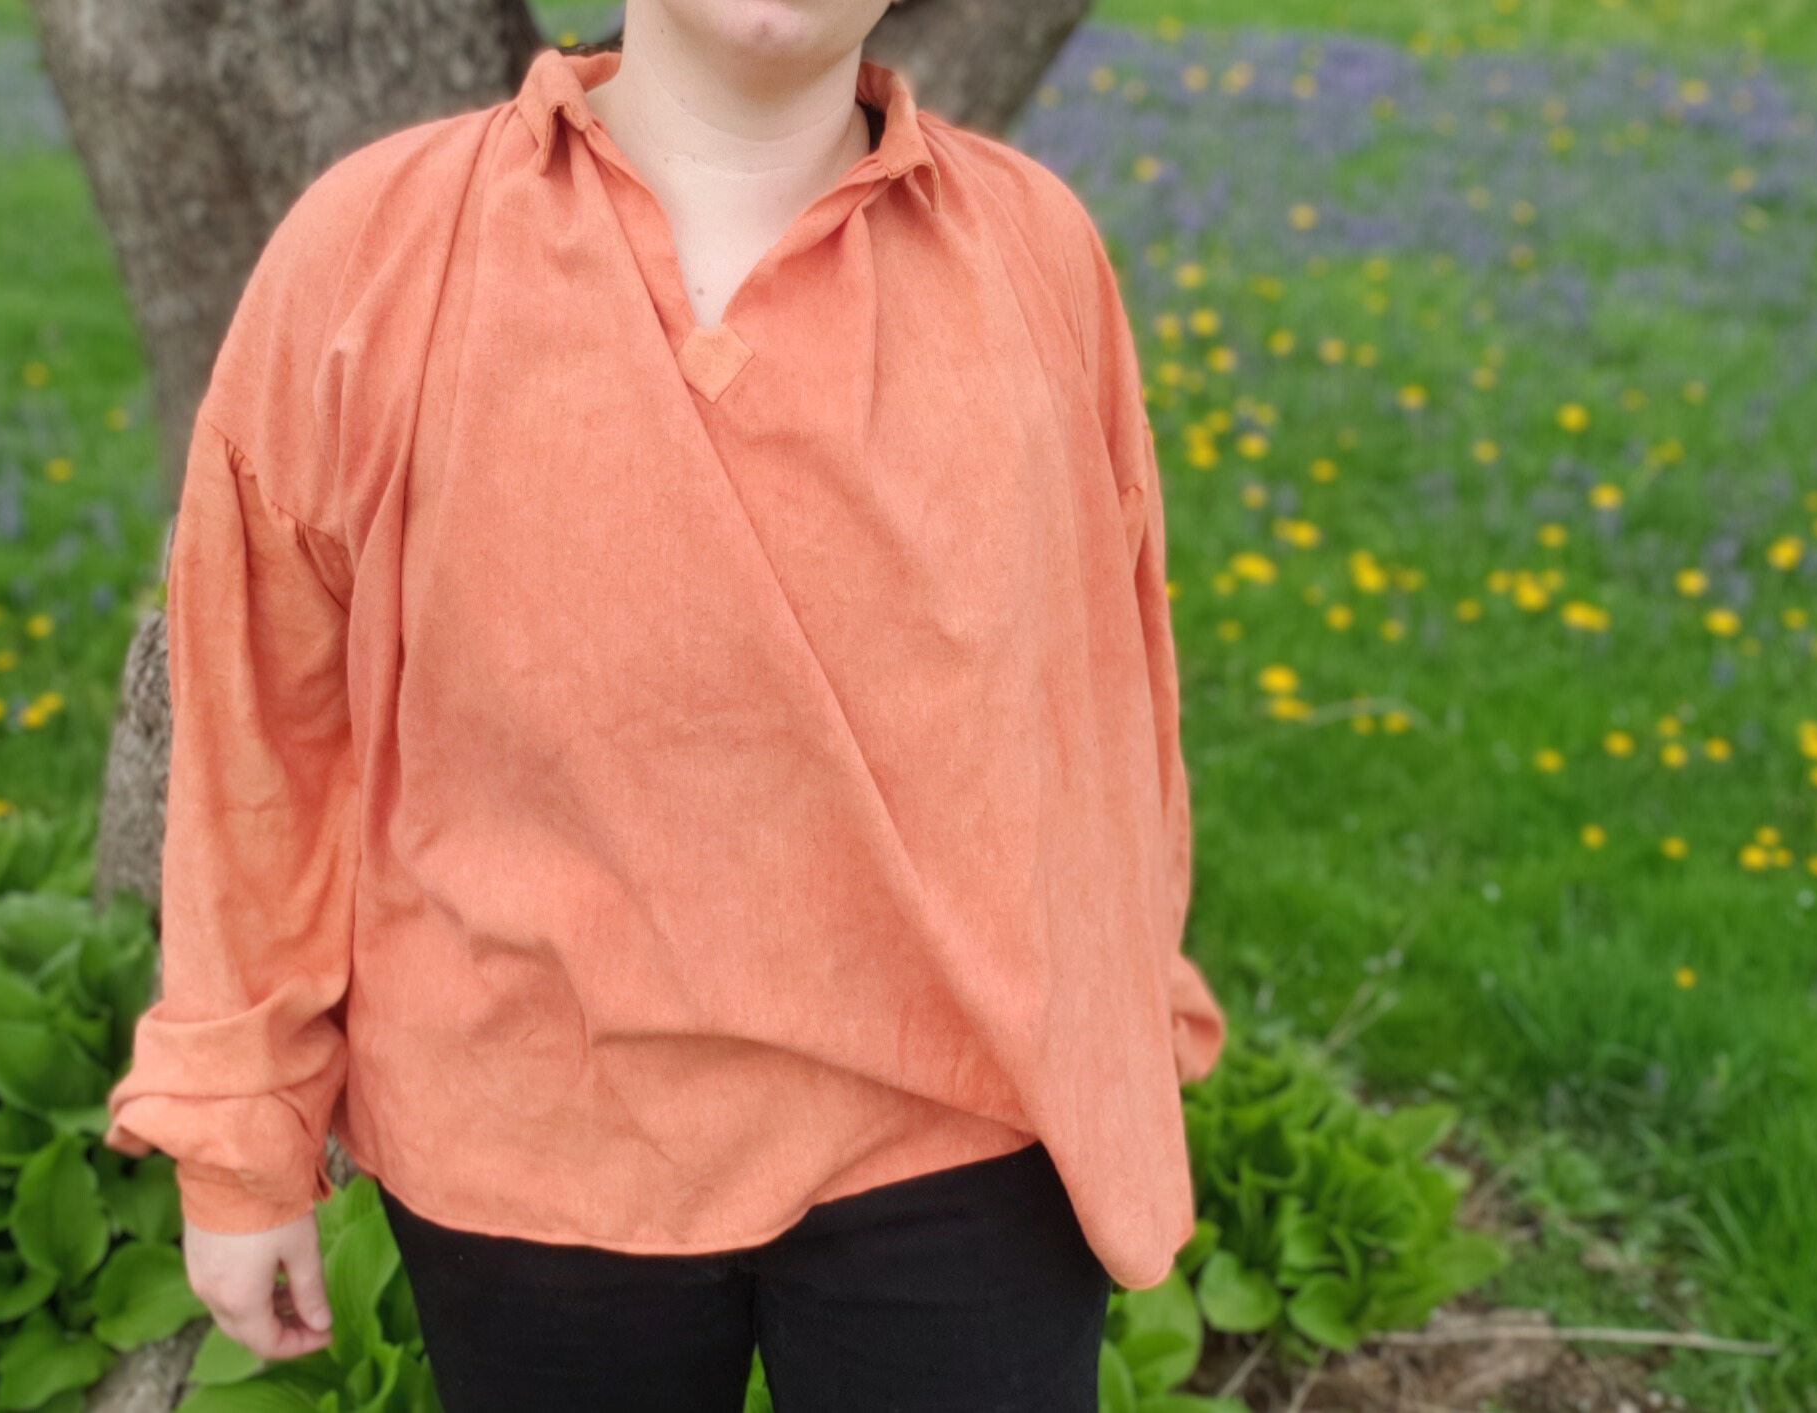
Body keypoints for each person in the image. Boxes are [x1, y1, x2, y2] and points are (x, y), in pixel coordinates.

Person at [101, 0, 1227, 1405]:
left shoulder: (1033, 251)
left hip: (964, 1123)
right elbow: (264, 721)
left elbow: (1107, 684)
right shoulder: (375, 245)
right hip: (529, 1130)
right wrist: (235, 1116)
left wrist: (1132, 1007)